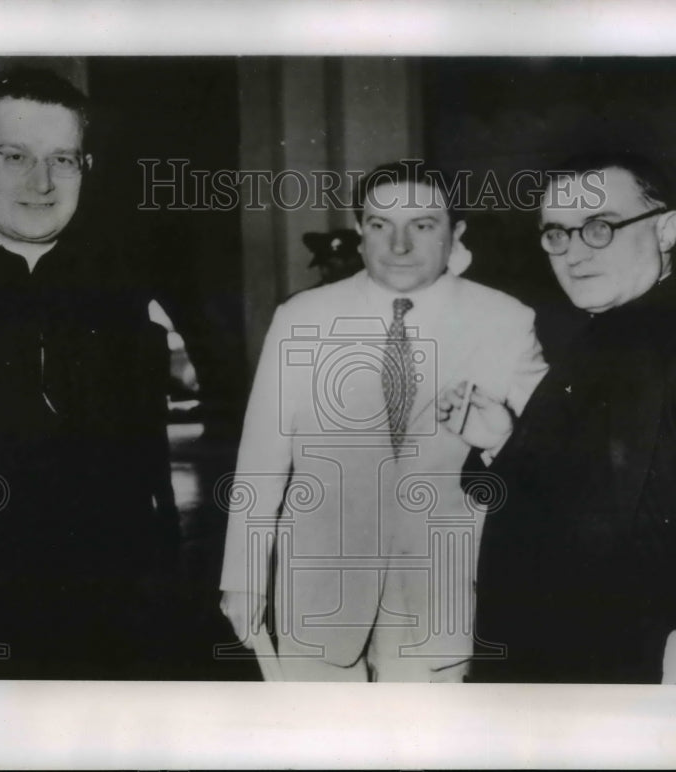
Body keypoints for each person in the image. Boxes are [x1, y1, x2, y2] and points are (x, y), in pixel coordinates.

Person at [440, 152, 676, 684]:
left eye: (598, 227)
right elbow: (596, 503)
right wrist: (504, 443)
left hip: (640, 687)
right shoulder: (608, 332)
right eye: (556, 233)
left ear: (666, 230)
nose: (574, 252)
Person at [0, 67, 177, 678]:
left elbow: (147, 463)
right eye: (15, 155)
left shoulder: (122, 287)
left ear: (85, 169)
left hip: (106, 608)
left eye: (62, 160)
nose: (40, 182)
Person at [219, 161, 548, 681]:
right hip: (318, 591)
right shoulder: (302, 317)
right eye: (380, 225)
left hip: (441, 593)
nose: (399, 245)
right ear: (359, 232)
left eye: (422, 225)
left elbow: (549, 461)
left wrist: (497, 440)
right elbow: (261, 458)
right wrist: (244, 577)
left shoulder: (506, 320)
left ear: (456, 233)